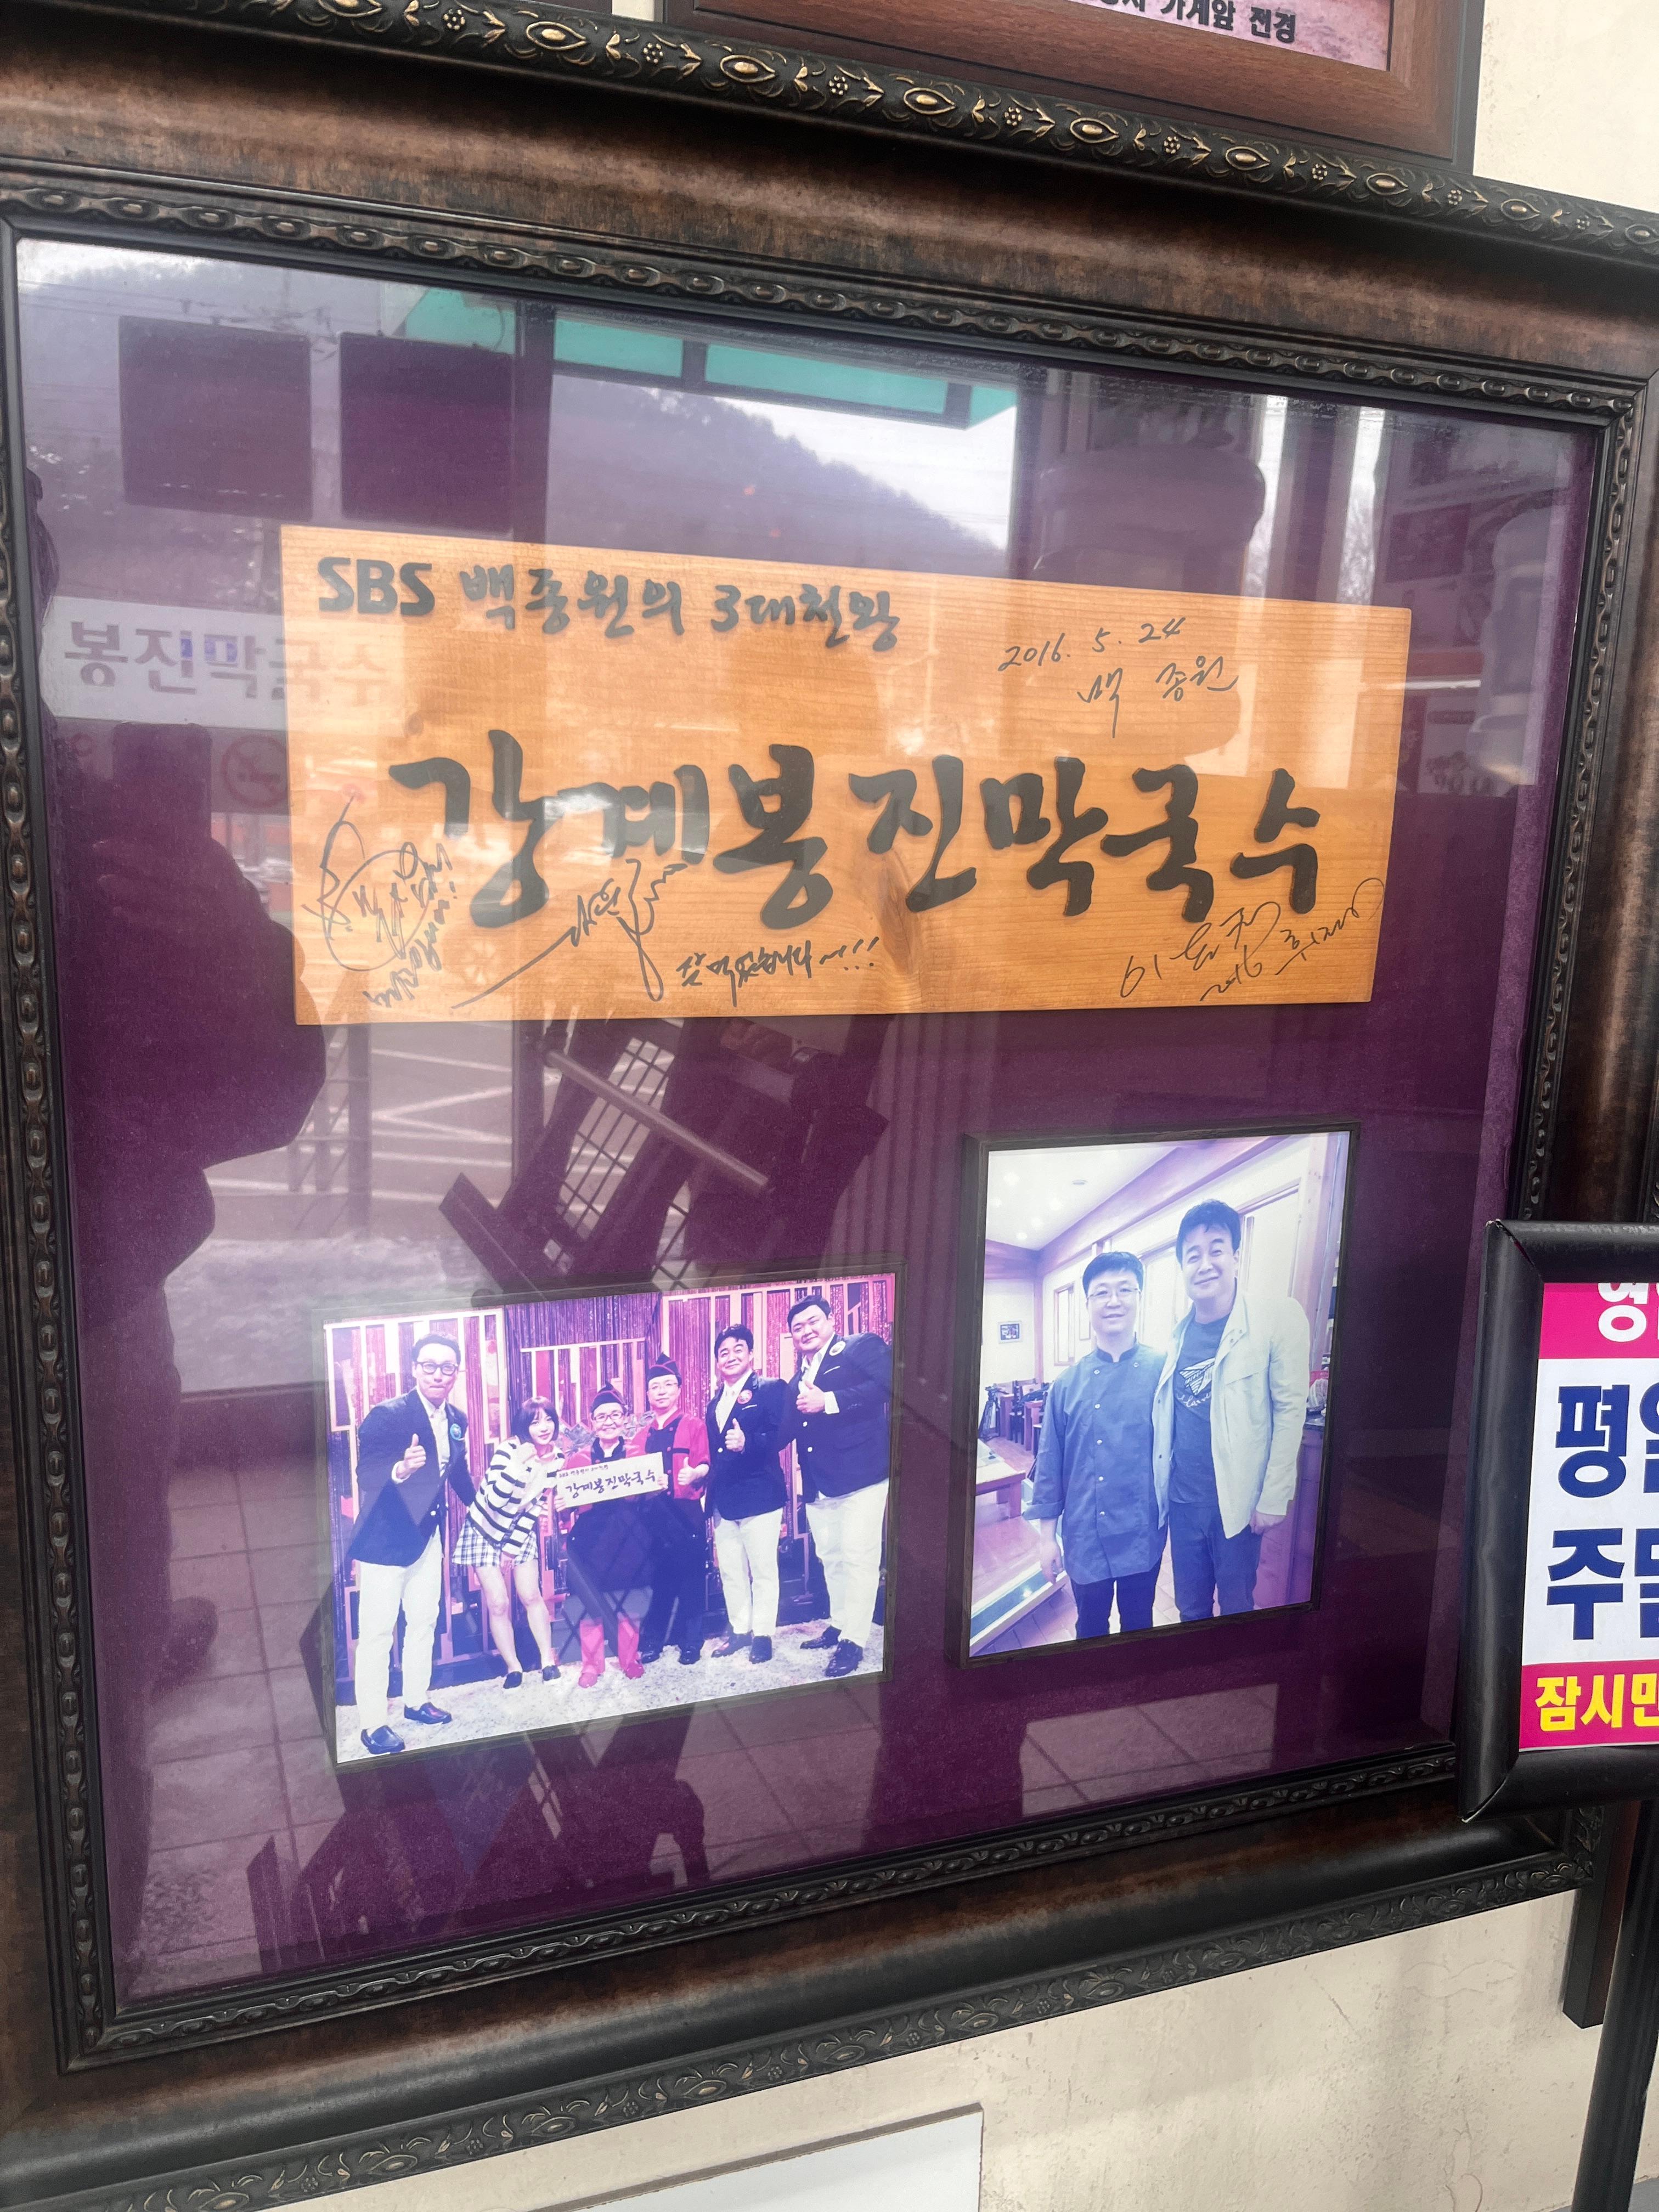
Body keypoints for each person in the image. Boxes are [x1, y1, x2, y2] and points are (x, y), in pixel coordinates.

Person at [1153, 1199, 1312, 1621]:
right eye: (1193, 1255)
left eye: (1216, 1250)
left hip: (1238, 1504)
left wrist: (1273, 1496)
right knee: (1190, 1610)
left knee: (1237, 1608)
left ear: (1237, 1256)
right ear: (1183, 1267)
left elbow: (1290, 1411)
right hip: (1183, 1504)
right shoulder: (1175, 1337)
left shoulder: (1276, 1319)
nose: (1205, 1264)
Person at [348, 1334, 477, 1756]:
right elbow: (366, 1475)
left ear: (456, 1374)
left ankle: (416, 1701)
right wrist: (400, 1469)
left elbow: (458, 1474)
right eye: (429, 1366)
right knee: (377, 1632)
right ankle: (372, 1724)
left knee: (424, 1620)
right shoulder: (387, 1416)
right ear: (415, 1369)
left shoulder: (457, 1418)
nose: (438, 1375)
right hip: (385, 1541)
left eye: (447, 1367)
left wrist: (487, 1509)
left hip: (428, 1536)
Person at [1028, 1251, 1166, 1639]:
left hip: (1142, 1532)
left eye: (1125, 1290)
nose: (1114, 1301)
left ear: (1139, 1298)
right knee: (1089, 1629)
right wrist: (1046, 1540)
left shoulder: (1162, 1370)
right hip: (1086, 1534)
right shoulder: (1066, 1384)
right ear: (1087, 1305)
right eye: (1102, 1292)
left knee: (1139, 1626)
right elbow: (1050, 1465)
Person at [783, 1293, 892, 1679]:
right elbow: (789, 1428)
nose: (806, 1331)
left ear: (831, 1321)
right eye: (798, 1327)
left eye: (813, 1321)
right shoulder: (797, 1378)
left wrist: (829, 1400)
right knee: (831, 1557)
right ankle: (841, 1622)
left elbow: (891, 1384)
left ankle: (854, 1641)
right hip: (818, 1484)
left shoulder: (859, 1347)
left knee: (859, 1557)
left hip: (863, 1476)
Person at [454, 1396, 565, 1688]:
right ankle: (513, 1667)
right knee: (499, 1603)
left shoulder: (557, 1457)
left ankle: (548, 1661)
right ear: (524, 1426)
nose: (544, 1427)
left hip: (519, 1528)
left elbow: (536, 1505)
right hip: (484, 1528)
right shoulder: (509, 1451)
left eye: (549, 1420)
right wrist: (518, 1464)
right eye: (535, 1422)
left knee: (530, 1595)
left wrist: (511, 1548)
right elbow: (494, 1500)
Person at [703, 1323, 787, 1664]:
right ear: (717, 1362)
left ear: (751, 1354)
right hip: (724, 1500)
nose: (731, 1356)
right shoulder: (713, 1404)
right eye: (723, 1353)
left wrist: (747, 1443)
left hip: (760, 1495)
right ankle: (740, 1630)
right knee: (731, 1571)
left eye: (738, 1349)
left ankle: (763, 1634)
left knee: (763, 1569)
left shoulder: (770, 1389)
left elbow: (780, 1436)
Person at [564, 1386, 650, 1688]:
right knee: (590, 1600)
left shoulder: (638, 1455)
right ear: (592, 1422)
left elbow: (648, 1497)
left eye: (615, 1415)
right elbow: (567, 1503)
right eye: (601, 1417)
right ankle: (591, 1664)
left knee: (628, 1599)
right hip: (590, 1539)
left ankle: (630, 1658)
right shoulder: (578, 1459)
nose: (609, 1421)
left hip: (629, 1536)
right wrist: (562, 1502)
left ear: (625, 1418)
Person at [632, 1359, 712, 1668]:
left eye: (668, 1385)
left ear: (679, 1389)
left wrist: (695, 1473)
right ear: (648, 1394)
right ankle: (653, 1642)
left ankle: (692, 1642)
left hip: (686, 1513)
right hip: (652, 1517)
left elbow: (705, 1463)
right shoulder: (640, 1437)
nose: (661, 1391)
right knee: (660, 1581)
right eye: (655, 1387)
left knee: (692, 1579)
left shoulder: (694, 1425)